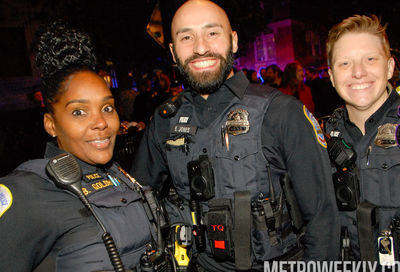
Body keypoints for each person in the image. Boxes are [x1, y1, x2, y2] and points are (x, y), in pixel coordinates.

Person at [131, 0, 339, 271]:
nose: (201, 47)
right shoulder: (164, 121)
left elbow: (323, 219)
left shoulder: (282, 112)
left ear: (234, 40)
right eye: (186, 37)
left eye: (212, 33)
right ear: (172, 51)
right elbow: (138, 207)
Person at [0, 21, 156, 271]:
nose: (100, 123)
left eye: (107, 108)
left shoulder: (120, 175)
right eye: (79, 112)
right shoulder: (27, 191)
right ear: (50, 124)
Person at [324, 15, 400, 264]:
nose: (358, 72)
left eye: (370, 59)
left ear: (389, 67)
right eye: (345, 63)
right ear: (332, 75)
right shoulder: (319, 138)